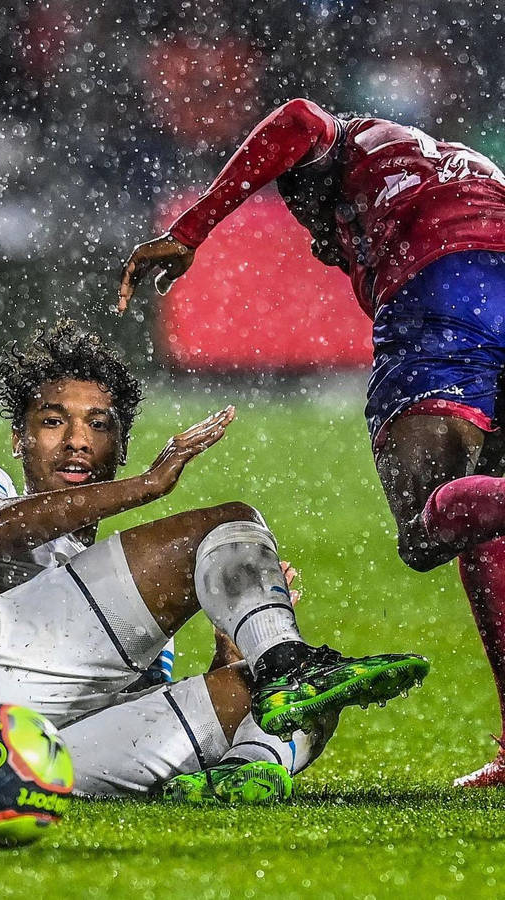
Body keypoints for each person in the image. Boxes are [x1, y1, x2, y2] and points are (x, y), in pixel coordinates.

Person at [119, 98, 505, 787]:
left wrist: (191, 228)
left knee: (426, 527)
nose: (315, 241)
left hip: (449, 286)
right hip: (486, 270)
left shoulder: (352, 145)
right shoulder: (449, 166)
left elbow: (296, 120)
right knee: (486, 520)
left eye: (309, 218)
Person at [0, 320, 427, 802]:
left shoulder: (124, 611)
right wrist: (147, 486)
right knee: (229, 523)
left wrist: (227, 658)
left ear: (120, 446)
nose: (76, 441)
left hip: (36, 751)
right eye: (52, 422)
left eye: (98, 425)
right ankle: (288, 664)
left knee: (307, 699)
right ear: (17, 438)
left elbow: (145, 714)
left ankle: (246, 768)